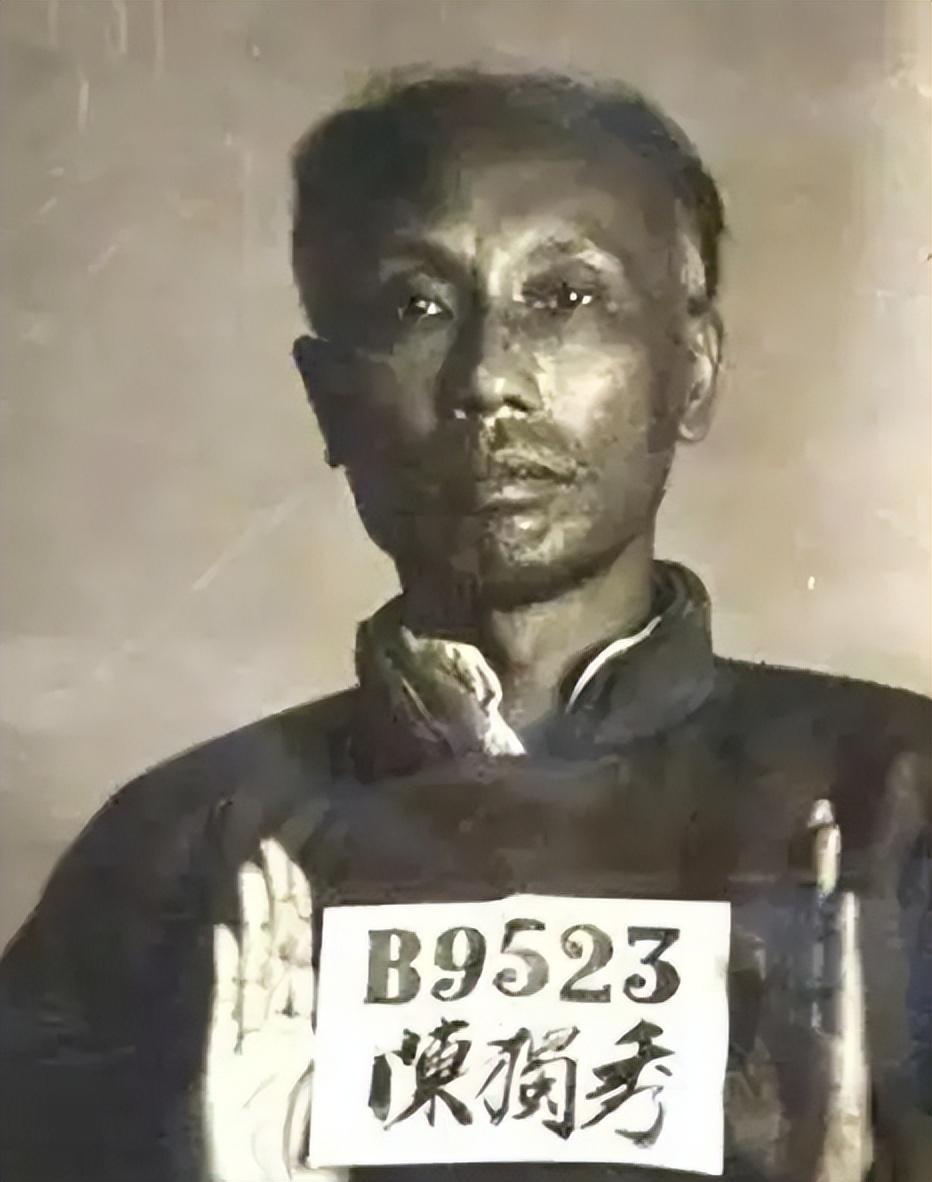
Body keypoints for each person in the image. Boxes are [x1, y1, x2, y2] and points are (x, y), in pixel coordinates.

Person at [0, 70, 929, 1182]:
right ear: (329, 398)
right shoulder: (173, 851)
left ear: (690, 370)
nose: (487, 379)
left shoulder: (898, 800)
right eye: (417, 308)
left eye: (564, 298)